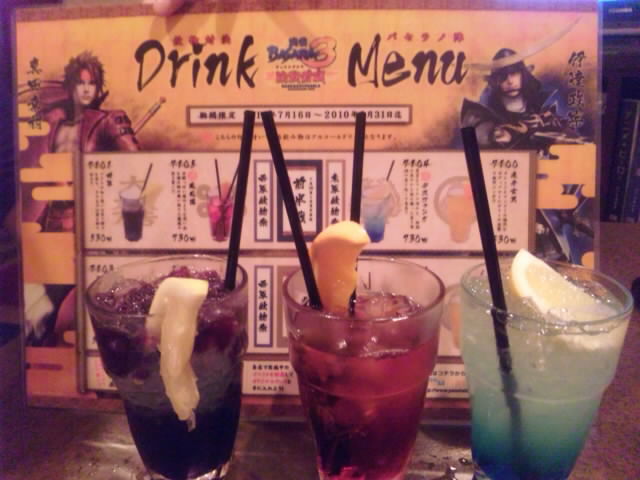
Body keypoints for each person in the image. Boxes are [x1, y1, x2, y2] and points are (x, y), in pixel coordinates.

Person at [460, 48, 569, 158]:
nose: (510, 81)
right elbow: (479, 133)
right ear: (495, 79)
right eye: (503, 75)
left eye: (514, 73)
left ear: (523, 74)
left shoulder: (540, 102)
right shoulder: (486, 110)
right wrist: (499, 134)